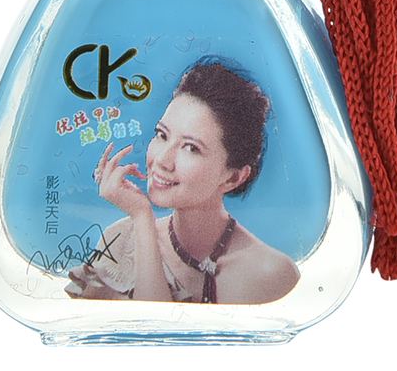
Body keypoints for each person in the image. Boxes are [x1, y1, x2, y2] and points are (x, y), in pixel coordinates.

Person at [66, 58, 300, 304]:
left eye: (191, 148)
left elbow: (158, 324)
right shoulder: (122, 238)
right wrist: (143, 217)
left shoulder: (269, 272)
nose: (162, 161)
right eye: (162, 135)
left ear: (233, 177)